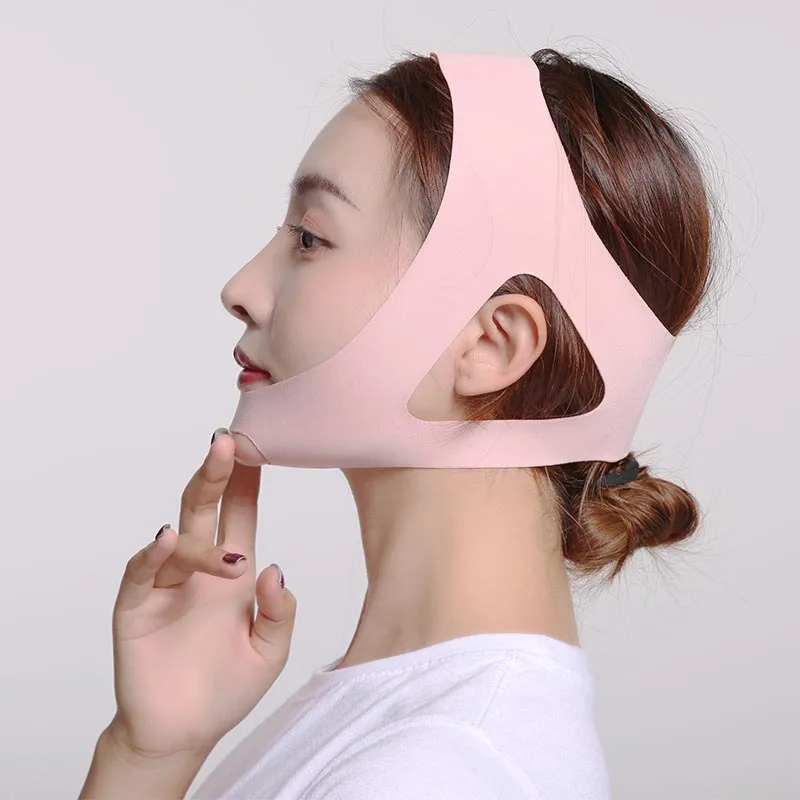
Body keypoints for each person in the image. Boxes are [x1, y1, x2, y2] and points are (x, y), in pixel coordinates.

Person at [79, 47, 717, 799]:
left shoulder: (439, 772)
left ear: (491, 345)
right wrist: (147, 757)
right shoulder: (420, 725)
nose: (241, 288)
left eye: (310, 238)